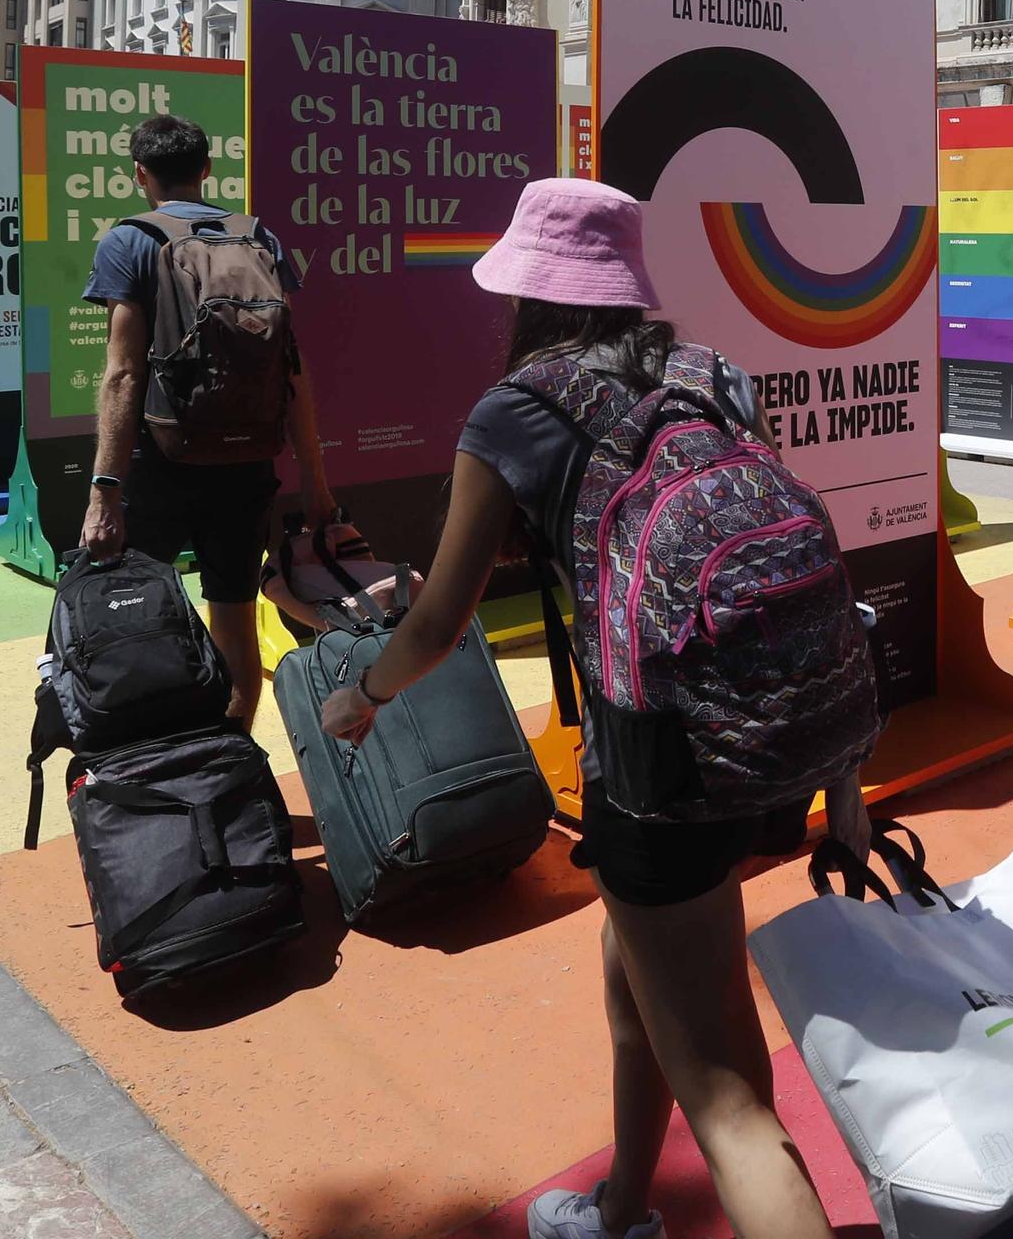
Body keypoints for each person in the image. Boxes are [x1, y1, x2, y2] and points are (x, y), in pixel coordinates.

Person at [322, 177, 873, 1239]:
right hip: (758, 733)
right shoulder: (709, 372)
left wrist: (362, 695)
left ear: (528, 291)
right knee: (639, 992)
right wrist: (842, 771)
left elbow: (436, 620)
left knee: (728, 1100)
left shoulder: (516, 410)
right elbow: (789, 580)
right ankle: (621, 1212)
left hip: (658, 764)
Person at [81, 113, 334, 726]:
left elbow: (122, 374)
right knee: (236, 618)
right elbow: (293, 367)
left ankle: (168, 757)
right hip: (247, 460)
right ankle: (235, 757)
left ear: (139, 174)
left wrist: (104, 490)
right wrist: (316, 481)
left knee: (139, 613)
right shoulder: (259, 238)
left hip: (158, 461)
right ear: (207, 170)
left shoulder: (130, 241)